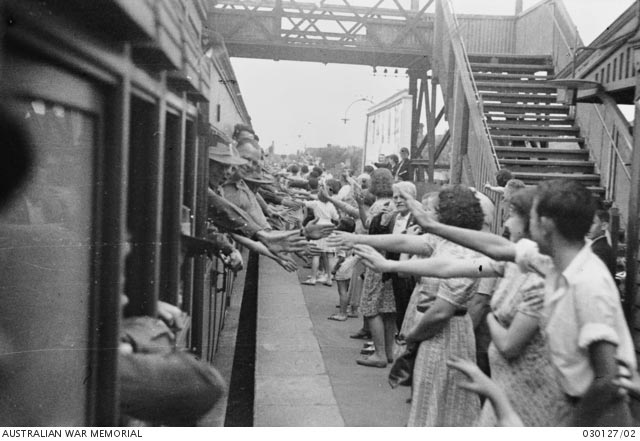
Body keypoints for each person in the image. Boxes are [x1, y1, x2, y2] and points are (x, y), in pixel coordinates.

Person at [399, 179, 636, 426]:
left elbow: (608, 379)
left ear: (544, 225)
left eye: (528, 217)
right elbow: (494, 251)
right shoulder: (549, 259)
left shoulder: (588, 283)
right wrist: (432, 227)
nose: (510, 223)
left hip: (598, 418)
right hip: (565, 403)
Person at [355, 187, 568, 426]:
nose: (506, 222)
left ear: (536, 224)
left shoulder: (537, 271)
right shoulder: (520, 257)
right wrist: (388, 265)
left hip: (528, 385)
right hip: (506, 380)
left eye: (512, 215)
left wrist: (489, 316)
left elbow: (506, 341)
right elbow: (449, 267)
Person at [332, 185, 486, 426]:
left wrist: (412, 336)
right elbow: (403, 241)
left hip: (445, 333)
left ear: (450, 215)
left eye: (432, 211)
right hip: (434, 330)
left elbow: (442, 312)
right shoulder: (443, 240)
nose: (425, 215)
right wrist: (356, 238)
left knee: (441, 397)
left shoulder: (464, 252)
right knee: (430, 395)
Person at [589, 207, 616, 278]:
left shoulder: (599, 250)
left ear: (604, 226)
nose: (588, 227)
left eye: (592, 223)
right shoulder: (600, 246)